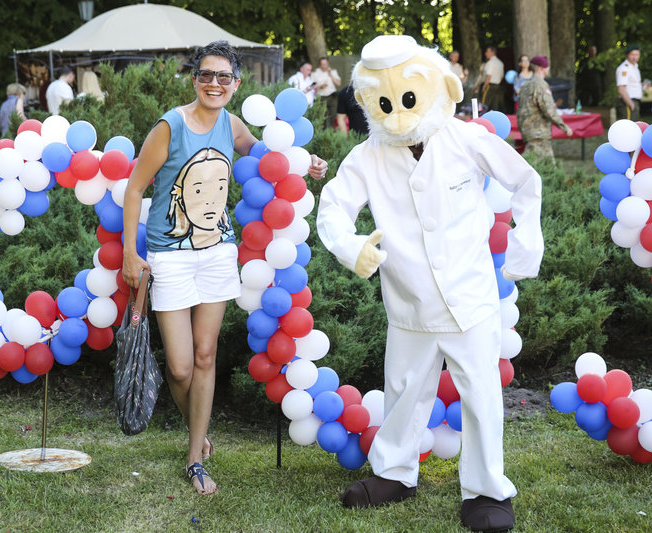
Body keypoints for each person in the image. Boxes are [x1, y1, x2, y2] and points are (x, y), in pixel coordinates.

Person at [317, 35, 543, 532]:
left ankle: (486, 490)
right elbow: (332, 207)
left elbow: (525, 181)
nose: (397, 113)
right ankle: (394, 472)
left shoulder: (466, 139)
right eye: (384, 102)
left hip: (470, 296)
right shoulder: (368, 156)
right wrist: (349, 245)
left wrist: (528, 241)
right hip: (409, 299)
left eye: (407, 98)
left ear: (439, 87)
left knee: (481, 395)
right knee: (403, 388)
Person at [122, 40, 327, 497]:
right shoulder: (170, 127)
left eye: (223, 77)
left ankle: (195, 456)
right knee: (178, 368)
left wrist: (303, 163)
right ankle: (196, 427)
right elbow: (135, 188)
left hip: (218, 254)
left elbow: (267, 158)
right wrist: (129, 254)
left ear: (235, 85)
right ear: (195, 79)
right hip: (170, 257)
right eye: (206, 75)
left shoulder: (232, 124)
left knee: (205, 356)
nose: (214, 83)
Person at [517, 56, 573, 162]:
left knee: (536, 165)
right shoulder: (541, 85)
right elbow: (548, 110)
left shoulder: (526, 85)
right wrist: (564, 127)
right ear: (542, 68)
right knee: (545, 167)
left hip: (528, 130)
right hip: (538, 132)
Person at [311, 57, 341, 129]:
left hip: (332, 96)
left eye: (326, 64)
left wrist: (331, 75)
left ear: (328, 63)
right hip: (321, 97)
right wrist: (320, 87)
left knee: (333, 115)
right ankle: (323, 132)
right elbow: (312, 86)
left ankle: (332, 132)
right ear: (320, 65)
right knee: (322, 116)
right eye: (322, 64)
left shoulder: (333, 71)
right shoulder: (315, 73)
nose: (324, 66)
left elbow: (338, 83)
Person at [474, 46, 505, 113]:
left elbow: (488, 76)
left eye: (487, 52)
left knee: (484, 104)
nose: (485, 53)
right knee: (495, 105)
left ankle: (482, 118)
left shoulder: (490, 62)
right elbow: (502, 76)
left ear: (492, 52)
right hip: (498, 86)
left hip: (489, 86)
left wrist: (485, 86)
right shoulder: (500, 63)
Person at [616, 45, 642, 122]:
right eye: (632, 55)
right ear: (627, 55)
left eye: (637, 55)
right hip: (628, 102)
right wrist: (631, 104)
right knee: (628, 128)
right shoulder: (624, 68)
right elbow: (621, 89)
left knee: (634, 127)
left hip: (635, 102)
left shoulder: (635, 67)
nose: (635, 57)